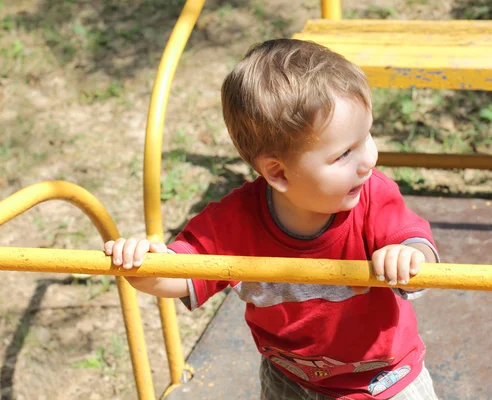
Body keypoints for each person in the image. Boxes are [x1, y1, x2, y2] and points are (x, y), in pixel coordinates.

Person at [105, 39, 439, 400]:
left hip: (383, 380)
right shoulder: (235, 221)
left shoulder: (373, 195)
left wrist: (410, 257)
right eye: (344, 153)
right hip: (290, 378)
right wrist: (142, 267)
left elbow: (420, 251)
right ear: (278, 174)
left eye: (367, 136)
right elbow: (180, 275)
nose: (369, 160)